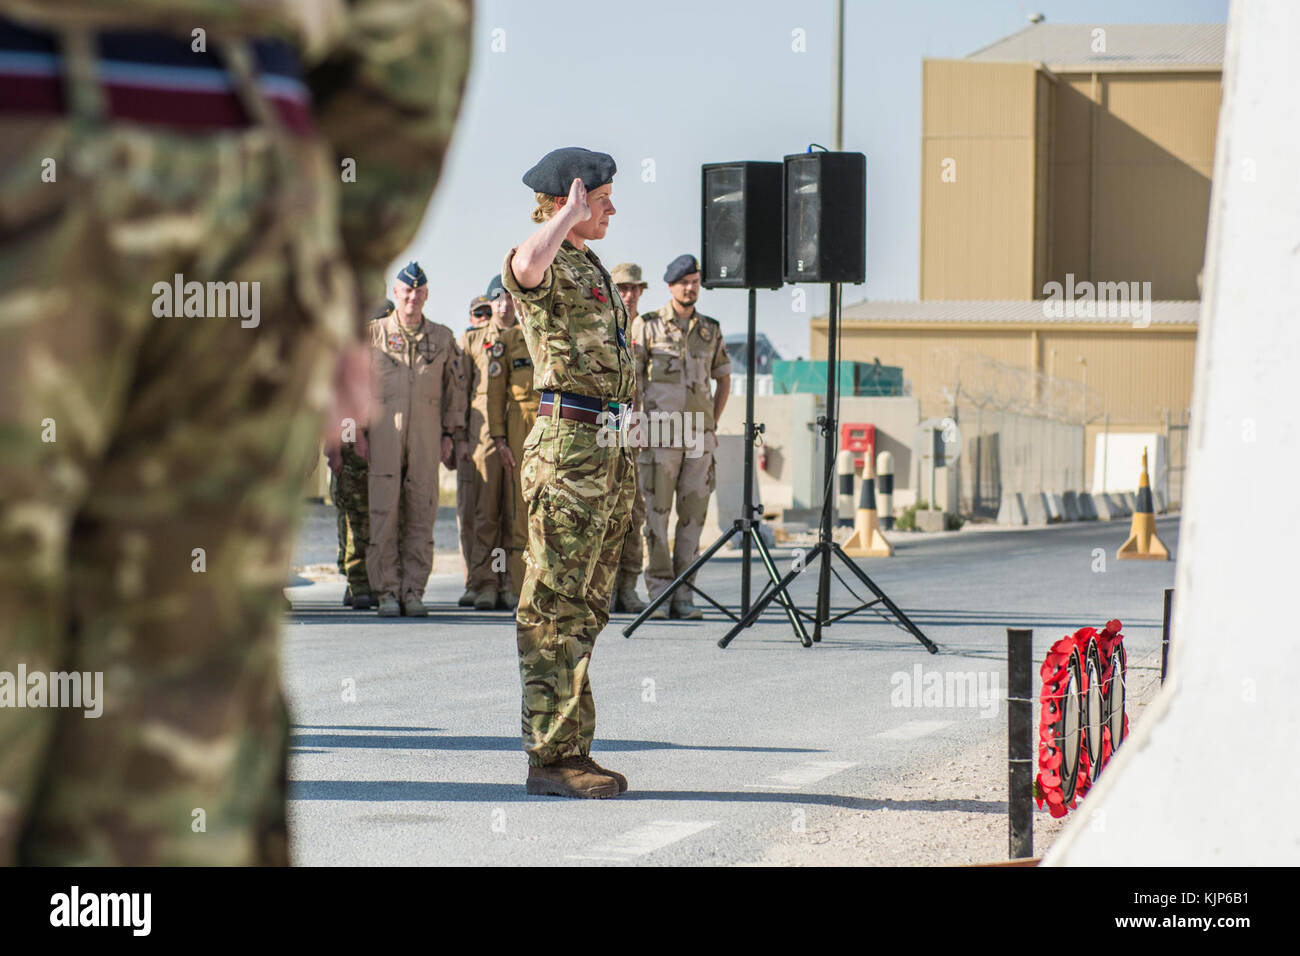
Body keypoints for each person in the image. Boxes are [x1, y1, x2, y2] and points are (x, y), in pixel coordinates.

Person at [0, 2, 471, 864]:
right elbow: (416, 27)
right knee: (175, 710)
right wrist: (344, 265)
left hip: (26, 127)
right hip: (238, 167)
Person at [502, 147, 635, 799]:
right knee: (554, 601)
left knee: (585, 605)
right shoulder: (547, 255)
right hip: (568, 448)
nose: (611, 207)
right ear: (568, 201)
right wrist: (566, 217)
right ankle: (550, 757)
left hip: (606, 448)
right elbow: (524, 269)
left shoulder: (591, 265)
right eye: (601, 196)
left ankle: (572, 748)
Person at [631, 254, 731, 620]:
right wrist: (636, 423)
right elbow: (634, 379)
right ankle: (659, 592)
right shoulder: (648, 326)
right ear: (670, 286)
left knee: (693, 518)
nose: (690, 288)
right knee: (655, 518)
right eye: (683, 282)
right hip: (659, 434)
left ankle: (684, 596)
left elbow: (724, 377)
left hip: (699, 438)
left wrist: (713, 424)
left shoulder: (710, 330)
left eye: (695, 281)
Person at [366, 261, 467, 618]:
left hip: (426, 436)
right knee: (383, 514)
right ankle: (387, 592)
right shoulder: (372, 335)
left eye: (418, 292)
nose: (412, 297)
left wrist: (450, 435)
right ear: (396, 294)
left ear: (425, 295)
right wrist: (356, 436)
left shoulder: (442, 338)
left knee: (421, 513)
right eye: (406, 291)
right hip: (383, 437)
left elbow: (455, 389)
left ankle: (413, 590)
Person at [330, 299, 392, 611]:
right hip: (351, 450)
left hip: (375, 448)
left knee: (371, 517)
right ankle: (356, 581)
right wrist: (348, 445)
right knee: (354, 517)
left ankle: (366, 579)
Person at [486, 286, 541, 607]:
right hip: (520, 428)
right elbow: (495, 396)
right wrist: (499, 440)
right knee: (521, 514)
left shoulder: (556, 337)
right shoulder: (506, 343)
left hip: (555, 427)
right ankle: (523, 593)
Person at [467, 274, 518, 611]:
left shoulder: (529, 338)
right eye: (497, 300)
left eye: (508, 299)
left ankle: (510, 582)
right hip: (483, 436)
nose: (503, 305)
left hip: (518, 432)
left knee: (515, 514)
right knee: (487, 514)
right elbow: (458, 391)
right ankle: (486, 582)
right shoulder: (471, 341)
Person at [608, 263, 651, 613]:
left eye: (636, 288)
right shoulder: (602, 326)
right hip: (610, 432)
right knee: (606, 512)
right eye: (623, 287)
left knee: (635, 514)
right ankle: (605, 586)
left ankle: (628, 586)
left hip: (643, 435)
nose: (630, 294)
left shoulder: (651, 329)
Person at [456, 295, 493, 607]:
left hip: (495, 445)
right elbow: (457, 396)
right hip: (470, 443)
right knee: (469, 518)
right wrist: (456, 439)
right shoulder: (465, 345)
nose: (483, 318)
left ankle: (498, 577)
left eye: (488, 313)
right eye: (478, 313)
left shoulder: (503, 344)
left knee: (495, 518)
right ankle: (474, 580)